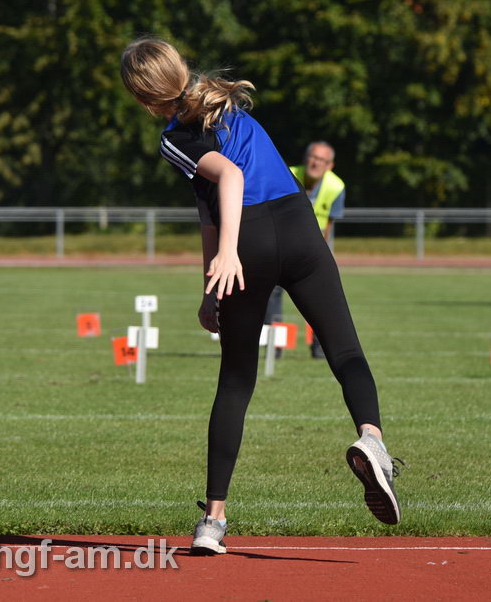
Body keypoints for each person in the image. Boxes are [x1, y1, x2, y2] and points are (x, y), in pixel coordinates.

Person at [120, 38, 403, 556]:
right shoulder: (225, 102)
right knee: (345, 351)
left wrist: (226, 257)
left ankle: (213, 522)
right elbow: (209, 205)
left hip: (247, 239)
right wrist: (210, 284)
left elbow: (227, 180)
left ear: (143, 99)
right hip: (298, 228)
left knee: (236, 380)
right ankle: (373, 441)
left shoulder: (174, 135)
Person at [265, 142, 346, 358]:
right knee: (270, 296)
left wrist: (320, 255)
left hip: (314, 246)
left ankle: (321, 348)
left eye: (322, 159)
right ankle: (276, 346)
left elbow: (328, 226)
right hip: (280, 244)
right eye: (313, 156)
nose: (315, 162)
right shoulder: (287, 174)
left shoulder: (336, 186)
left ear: (330, 165)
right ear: (305, 157)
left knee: (322, 299)